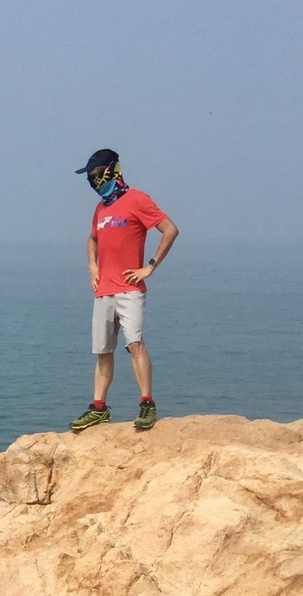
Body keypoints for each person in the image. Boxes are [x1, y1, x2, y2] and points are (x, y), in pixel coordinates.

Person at [70, 148, 179, 433]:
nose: (93, 181)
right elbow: (92, 239)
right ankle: (98, 408)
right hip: (104, 289)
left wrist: (150, 266)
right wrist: (92, 267)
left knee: (135, 345)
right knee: (103, 351)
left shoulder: (137, 199)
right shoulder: (101, 208)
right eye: (90, 177)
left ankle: (147, 403)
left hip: (129, 289)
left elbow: (170, 229)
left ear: (112, 170)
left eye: (96, 174)